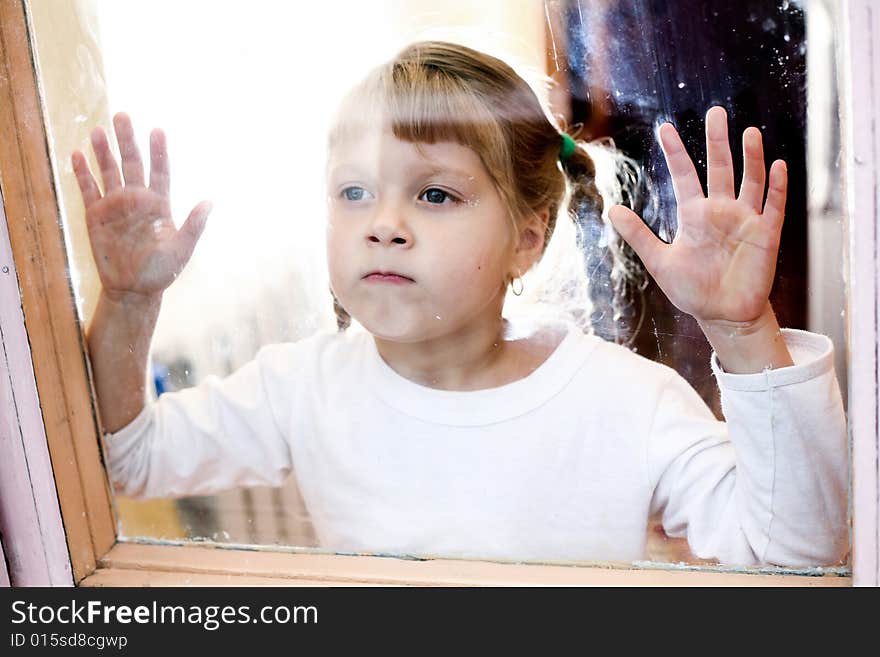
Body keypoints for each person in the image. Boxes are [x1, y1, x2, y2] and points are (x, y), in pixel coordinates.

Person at [73, 41, 847, 567]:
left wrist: (742, 330)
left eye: (435, 192)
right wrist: (132, 302)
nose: (382, 223)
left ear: (527, 240)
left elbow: (798, 551)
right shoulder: (300, 386)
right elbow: (125, 457)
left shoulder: (629, 401)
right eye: (353, 192)